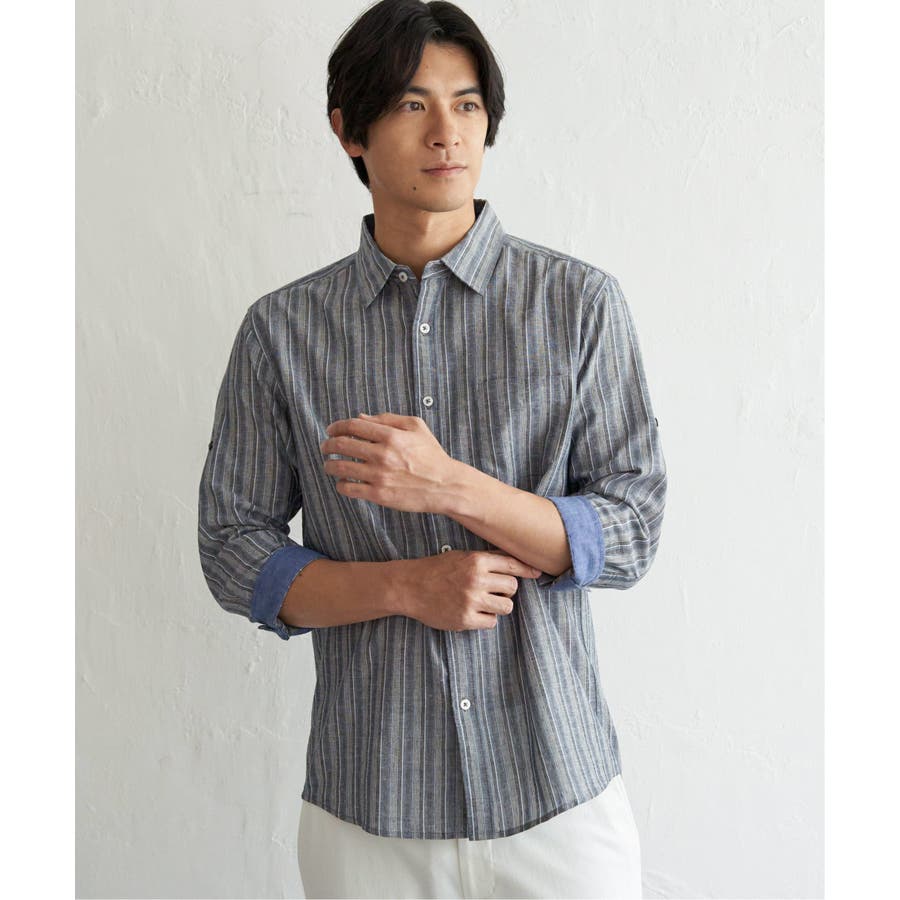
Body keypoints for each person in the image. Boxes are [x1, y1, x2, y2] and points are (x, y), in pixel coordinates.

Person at [197, 1, 667, 897]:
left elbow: (632, 530)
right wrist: (406, 587)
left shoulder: (578, 305)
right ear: (350, 131)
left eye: (468, 104)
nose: (448, 132)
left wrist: (452, 486)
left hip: (557, 800)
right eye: (414, 104)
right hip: (369, 809)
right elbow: (231, 548)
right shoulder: (282, 332)